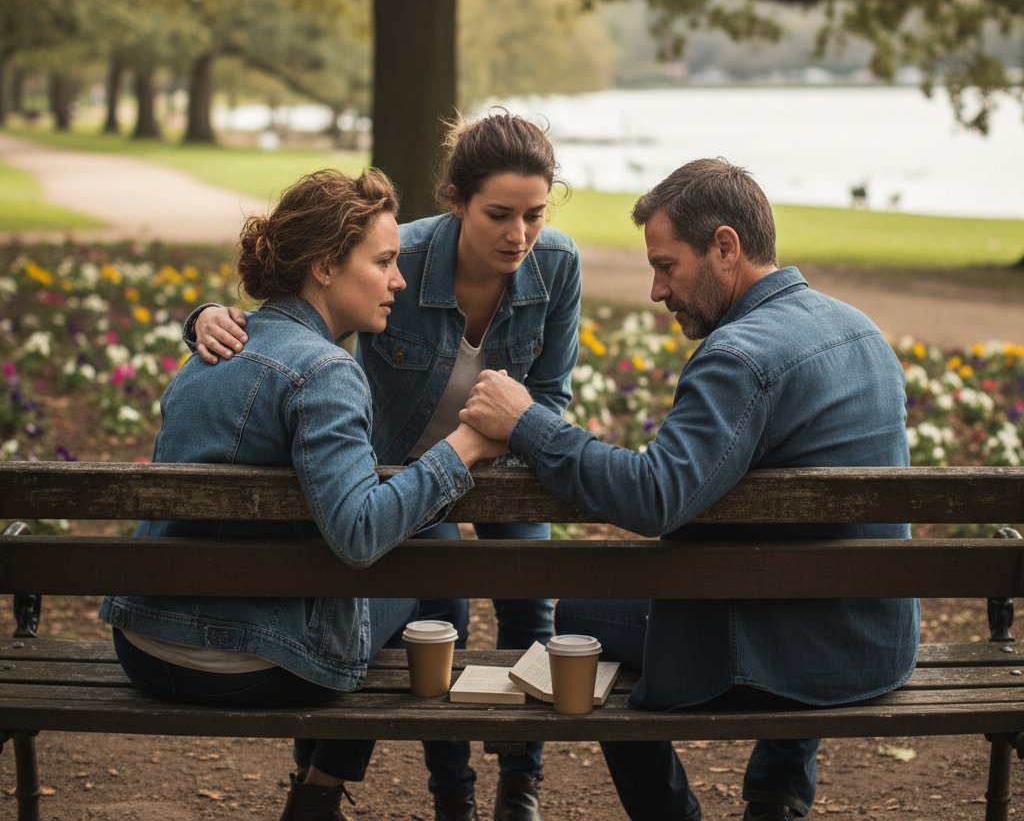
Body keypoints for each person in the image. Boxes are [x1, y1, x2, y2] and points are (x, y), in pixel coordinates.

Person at [459, 157, 919, 821]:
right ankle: (775, 795)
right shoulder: (858, 329)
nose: (655, 290)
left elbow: (653, 496)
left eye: (666, 265)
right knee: (806, 565)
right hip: (876, 643)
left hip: (794, 651)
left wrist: (525, 423)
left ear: (725, 247)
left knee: (584, 617)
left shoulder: (739, 357)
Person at [188, 110, 582, 821]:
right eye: (499, 213)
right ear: (456, 201)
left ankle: (519, 780)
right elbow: (293, 309)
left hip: (502, 464)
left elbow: (549, 394)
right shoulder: (398, 259)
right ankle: (452, 790)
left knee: (531, 600)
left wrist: (503, 438)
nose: (519, 235)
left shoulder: (557, 265)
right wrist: (206, 315)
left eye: (535, 214)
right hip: (398, 473)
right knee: (439, 609)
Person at [100, 168, 502, 821]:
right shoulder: (327, 373)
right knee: (429, 551)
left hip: (144, 645)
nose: (398, 280)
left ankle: (339, 788)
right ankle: (355, 789)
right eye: (384, 261)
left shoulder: (210, 348)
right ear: (323, 267)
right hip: (242, 665)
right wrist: (464, 448)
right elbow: (359, 534)